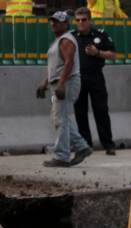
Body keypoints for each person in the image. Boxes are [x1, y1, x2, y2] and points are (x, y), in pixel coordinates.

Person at [37, 11, 91, 167]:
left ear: (66, 24)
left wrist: (60, 84)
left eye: (58, 22)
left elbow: (69, 64)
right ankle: (81, 147)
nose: (54, 24)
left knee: (60, 120)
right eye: (52, 21)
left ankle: (62, 156)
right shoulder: (58, 40)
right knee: (61, 118)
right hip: (61, 82)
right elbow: (58, 67)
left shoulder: (66, 40)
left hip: (67, 83)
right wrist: (45, 83)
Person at [72, 8, 118, 156]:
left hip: (96, 77)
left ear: (90, 21)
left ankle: (108, 144)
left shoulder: (101, 35)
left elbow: (113, 55)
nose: (80, 23)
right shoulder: (72, 37)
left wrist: (97, 53)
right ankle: (86, 144)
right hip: (78, 77)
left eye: (83, 20)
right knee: (80, 112)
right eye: (78, 20)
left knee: (101, 110)